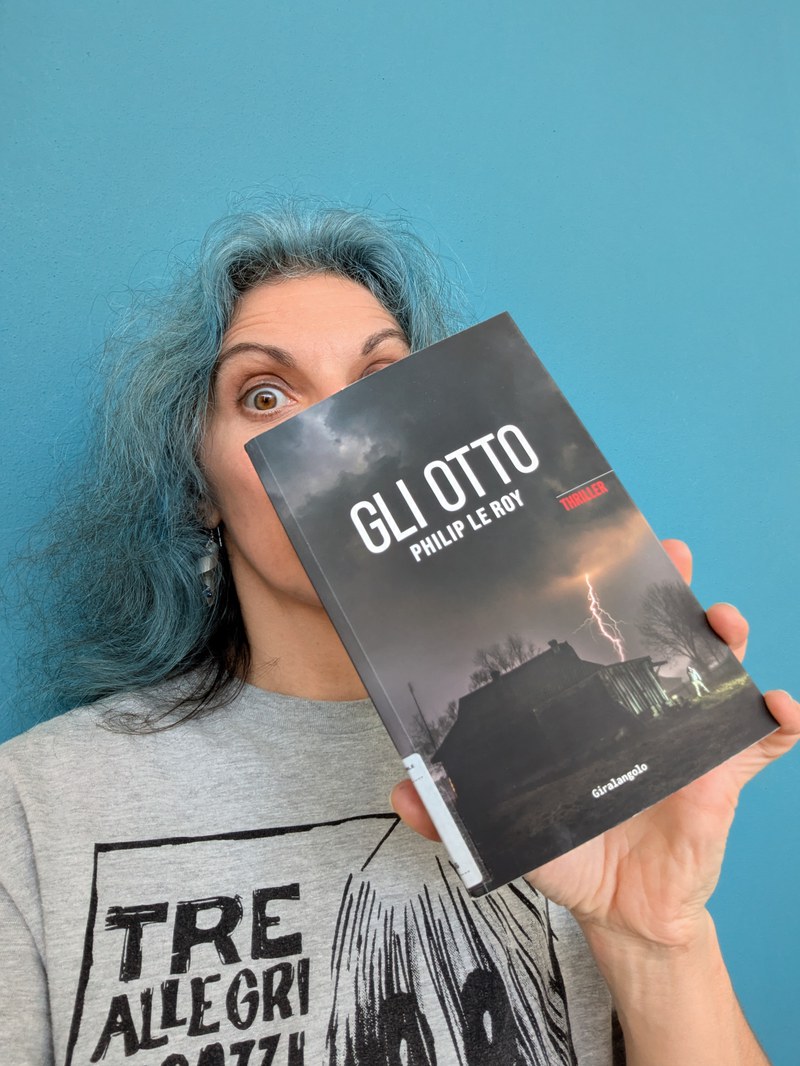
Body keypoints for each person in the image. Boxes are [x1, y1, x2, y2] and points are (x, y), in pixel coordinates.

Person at [0, 199, 797, 1066]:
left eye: (380, 383)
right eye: (266, 396)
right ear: (197, 488)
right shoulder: (36, 804)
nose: (340, 442)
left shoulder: (606, 775)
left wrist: (657, 938)